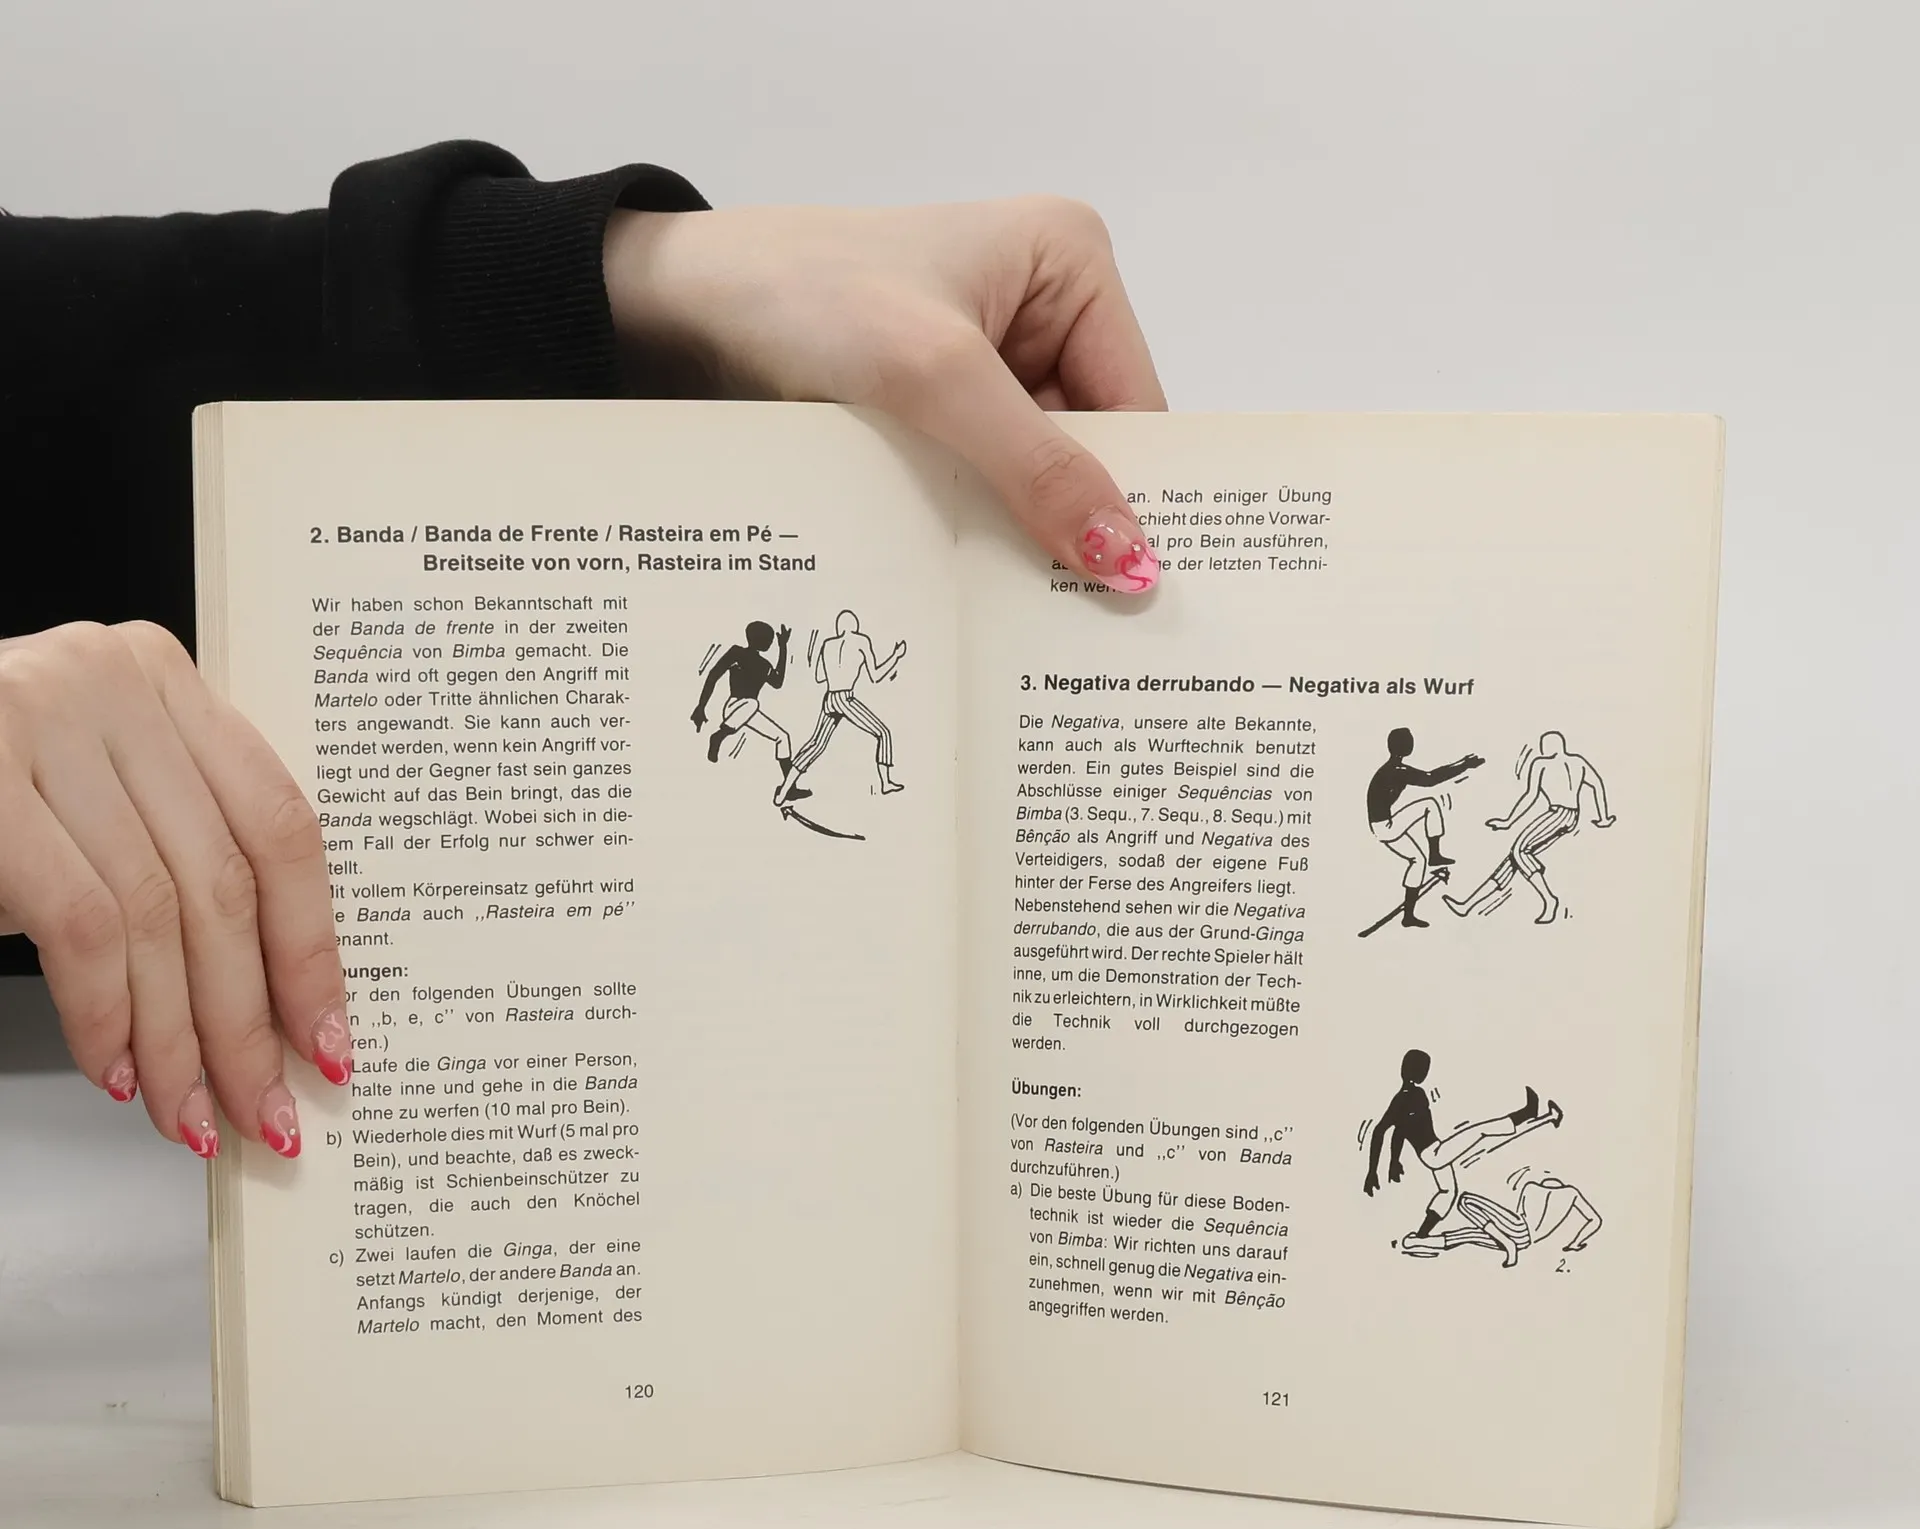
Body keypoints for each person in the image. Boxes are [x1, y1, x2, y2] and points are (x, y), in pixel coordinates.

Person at [0, 144, 1166, 1160]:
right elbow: (736, 686)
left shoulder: (801, 655)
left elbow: (66, 385)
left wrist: (641, 284)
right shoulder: (752, 669)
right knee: (786, 736)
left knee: (814, 733)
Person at [1362, 1049, 1561, 1237]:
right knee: (1480, 1131)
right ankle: (1528, 1112)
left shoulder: (1412, 1095)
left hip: (1434, 1152)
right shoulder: (1407, 1098)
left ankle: (1422, 1234)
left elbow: (1399, 1129)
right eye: (1425, 1069)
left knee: (1448, 1192)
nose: (1426, 1073)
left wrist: (1393, 1162)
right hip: (1435, 1154)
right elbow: (1382, 1131)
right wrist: (1373, 1171)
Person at [1444, 730, 1615, 925]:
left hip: (1558, 815)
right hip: (1570, 816)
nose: (1542, 748)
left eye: (1544, 744)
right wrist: (1603, 817)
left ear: (1551, 745)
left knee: (1520, 851)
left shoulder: (1541, 764)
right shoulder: (1578, 762)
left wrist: (1508, 822)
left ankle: (1549, 900)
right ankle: (1467, 905)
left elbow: (1530, 796)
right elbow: (1597, 784)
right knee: (1513, 860)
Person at [774, 612, 906, 805]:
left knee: (815, 745)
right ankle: (885, 783)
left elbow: (820, 677)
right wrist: (896, 656)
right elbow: (876, 676)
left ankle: (783, 792)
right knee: (883, 733)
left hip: (830, 698)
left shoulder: (828, 644)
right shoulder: (861, 641)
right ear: (855, 626)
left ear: (839, 627)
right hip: (845, 698)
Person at [1364, 728, 1484, 928]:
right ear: (1406, 746)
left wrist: (1462, 763)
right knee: (1429, 804)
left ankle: (1408, 917)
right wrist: (1464, 765)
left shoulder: (1393, 768)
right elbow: (1430, 779)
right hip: (1385, 827)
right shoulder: (1397, 770)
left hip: (1383, 824)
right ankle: (1434, 855)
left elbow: (1430, 776)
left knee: (1418, 860)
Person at [692, 621, 803, 794]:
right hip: (734, 707)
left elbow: (778, 682)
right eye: (770, 640)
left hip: (749, 712)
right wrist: (701, 706)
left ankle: (790, 788)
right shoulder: (737, 653)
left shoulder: (764, 665)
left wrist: (783, 647)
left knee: (782, 737)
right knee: (753, 703)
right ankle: (718, 736)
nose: (771, 643)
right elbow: (713, 676)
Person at [1399, 1177, 1602, 1268]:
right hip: (1525, 1241)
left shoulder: (1532, 1187)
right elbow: (1595, 1220)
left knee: (1465, 1201)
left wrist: (1504, 1233)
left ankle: (1507, 1245)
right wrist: (1575, 1243)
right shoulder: (1570, 1193)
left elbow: (1518, 1215)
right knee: (1467, 1235)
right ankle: (1415, 1243)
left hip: (1516, 1228)